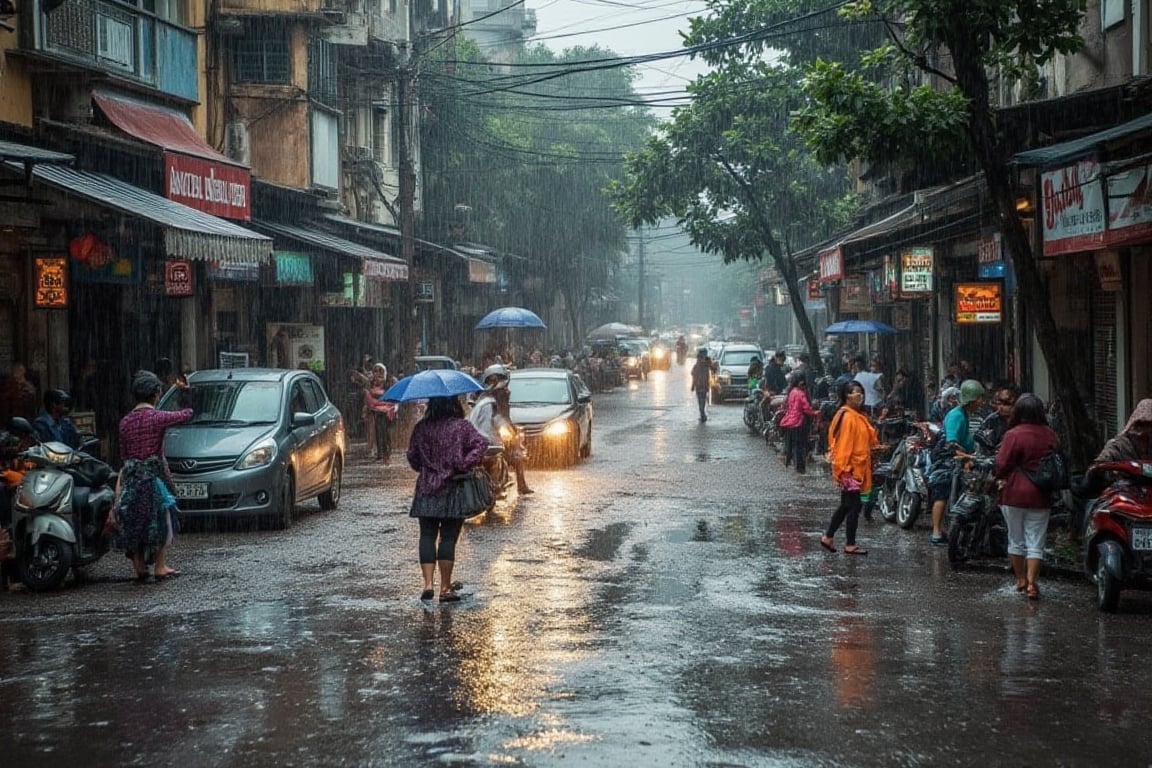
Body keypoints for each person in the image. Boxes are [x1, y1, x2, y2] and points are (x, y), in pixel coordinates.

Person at [406, 395, 491, 602]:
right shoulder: (461, 427)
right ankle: (445, 587)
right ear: (454, 404)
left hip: (426, 489)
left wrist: (427, 467)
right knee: (448, 538)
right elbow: (481, 444)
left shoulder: (422, 428)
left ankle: (427, 584)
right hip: (453, 488)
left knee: (427, 536)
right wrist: (464, 463)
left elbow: (412, 456)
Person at [113, 370, 192, 582]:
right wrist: (183, 393)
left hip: (130, 478)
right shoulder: (157, 417)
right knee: (161, 517)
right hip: (152, 479)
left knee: (133, 520)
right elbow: (186, 414)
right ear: (156, 394)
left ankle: (138, 564)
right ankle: (159, 565)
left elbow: (124, 455)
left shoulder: (125, 422)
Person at [993, 394, 1058, 600]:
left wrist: (1000, 477)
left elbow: (1001, 464)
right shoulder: (1049, 434)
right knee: (1036, 540)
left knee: (1015, 539)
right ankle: (1032, 583)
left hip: (1013, 493)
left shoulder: (1013, 434)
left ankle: (1020, 579)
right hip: (1040, 494)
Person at [820, 380, 878, 555]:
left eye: (861, 392)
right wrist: (844, 470)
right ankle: (850, 543)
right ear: (847, 396)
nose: (859, 396)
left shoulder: (855, 414)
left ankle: (828, 537)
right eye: (855, 392)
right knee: (854, 506)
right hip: (850, 469)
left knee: (846, 505)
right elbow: (844, 446)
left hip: (855, 467)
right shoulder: (847, 417)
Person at [928, 379, 985, 546]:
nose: (982, 402)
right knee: (942, 493)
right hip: (947, 460)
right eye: (979, 398)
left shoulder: (965, 415)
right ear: (971, 399)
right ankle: (936, 532)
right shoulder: (956, 416)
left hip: (960, 457)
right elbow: (951, 444)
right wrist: (967, 457)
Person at [469, 364, 532, 495]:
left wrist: (511, 433)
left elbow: (504, 419)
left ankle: (521, 485)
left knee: (517, 456)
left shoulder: (500, 398)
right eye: (492, 380)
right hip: (484, 440)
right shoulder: (484, 401)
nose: (495, 383)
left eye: (497, 379)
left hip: (493, 438)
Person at [779, 370, 820, 474]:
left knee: (794, 445)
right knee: (800, 446)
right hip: (799, 423)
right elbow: (806, 409)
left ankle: (795, 465)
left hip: (790, 422)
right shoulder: (801, 394)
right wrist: (816, 413)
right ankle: (801, 468)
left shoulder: (791, 392)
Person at [363, 363, 397, 463]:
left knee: (386, 432)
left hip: (388, 411)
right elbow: (369, 397)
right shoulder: (371, 383)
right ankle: (380, 452)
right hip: (377, 411)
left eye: (380, 371)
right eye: (375, 371)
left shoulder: (390, 382)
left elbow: (392, 397)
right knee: (378, 431)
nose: (377, 374)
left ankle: (387, 452)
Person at [979, 383, 1019, 450]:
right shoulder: (991, 420)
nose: (1001, 407)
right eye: (999, 403)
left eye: (1006, 404)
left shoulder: (1022, 420)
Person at [690, 349, 712, 423]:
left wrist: (693, 385)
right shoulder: (706, 362)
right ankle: (702, 414)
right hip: (703, 385)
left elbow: (693, 374)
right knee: (702, 400)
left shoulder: (699, 363)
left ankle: (702, 414)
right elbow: (694, 374)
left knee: (701, 401)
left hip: (700, 385)